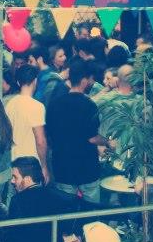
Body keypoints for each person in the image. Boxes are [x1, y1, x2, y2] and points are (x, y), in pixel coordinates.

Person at [46, 60, 107, 204]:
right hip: (86, 166)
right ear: (84, 81)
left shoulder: (54, 104)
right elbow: (92, 138)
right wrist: (107, 141)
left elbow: (49, 134)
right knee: (91, 207)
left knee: (66, 206)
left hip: (62, 165)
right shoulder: (89, 105)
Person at [5, 157, 70, 242]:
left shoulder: (17, 200)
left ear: (28, 179)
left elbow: (11, 234)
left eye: (15, 177)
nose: (12, 181)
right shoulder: (56, 196)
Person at [4, 65, 50, 184]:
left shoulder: (10, 104)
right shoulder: (37, 107)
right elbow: (40, 141)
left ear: (18, 82)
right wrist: (44, 166)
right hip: (31, 164)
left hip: (13, 162)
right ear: (35, 80)